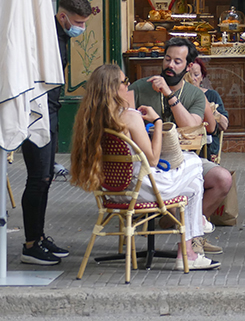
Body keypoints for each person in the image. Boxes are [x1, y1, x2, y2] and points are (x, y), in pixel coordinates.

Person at [70, 64, 218, 270]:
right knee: (192, 162)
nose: (128, 86)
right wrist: (157, 121)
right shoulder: (129, 116)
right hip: (142, 190)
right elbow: (153, 159)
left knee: (193, 186)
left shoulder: (89, 119)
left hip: (112, 192)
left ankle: (189, 251)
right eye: (125, 82)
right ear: (114, 88)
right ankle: (193, 239)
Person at [130, 37, 234, 242]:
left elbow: (190, 127)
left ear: (188, 66)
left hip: (184, 158)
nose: (170, 65)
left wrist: (169, 94)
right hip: (147, 161)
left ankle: (180, 223)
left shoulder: (195, 94)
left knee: (223, 179)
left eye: (178, 61)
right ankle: (190, 239)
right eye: (167, 59)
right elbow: (120, 117)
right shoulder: (140, 87)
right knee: (194, 178)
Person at [20, 0, 92, 266]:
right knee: (37, 178)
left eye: (84, 23)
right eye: (77, 22)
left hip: (51, 113)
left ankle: (37, 237)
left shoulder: (60, 36)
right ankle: (30, 244)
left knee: (46, 177)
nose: (81, 28)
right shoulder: (44, 38)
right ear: (62, 17)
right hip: (36, 115)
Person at [187, 58, 229, 162]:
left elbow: (224, 125)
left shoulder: (211, 95)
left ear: (202, 77)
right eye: (188, 75)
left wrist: (212, 111)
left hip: (208, 145)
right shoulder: (179, 97)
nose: (192, 79)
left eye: (196, 75)